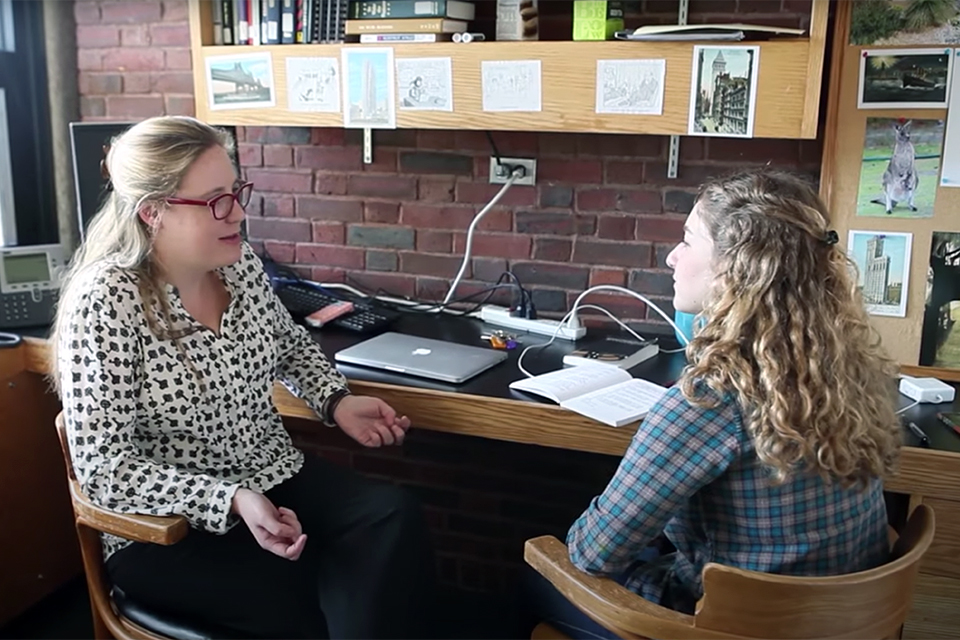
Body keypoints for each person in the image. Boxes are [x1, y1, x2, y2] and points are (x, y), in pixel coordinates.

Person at [50, 115, 435, 639]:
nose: (238, 212)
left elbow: (290, 345)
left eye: (235, 191)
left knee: (392, 518)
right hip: (167, 528)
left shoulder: (238, 264)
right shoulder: (106, 301)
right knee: (292, 592)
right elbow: (103, 469)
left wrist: (336, 402)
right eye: (215, 201)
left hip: (269, 471)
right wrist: (227, 498)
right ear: (153, 213)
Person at [523, 169, 903, 639]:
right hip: (841, 620)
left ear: (735, 267)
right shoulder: (851, 369)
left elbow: (592, 553)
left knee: (534, 574)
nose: (671, 257)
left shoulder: (709, 399)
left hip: (726, 628)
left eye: (687, 240)